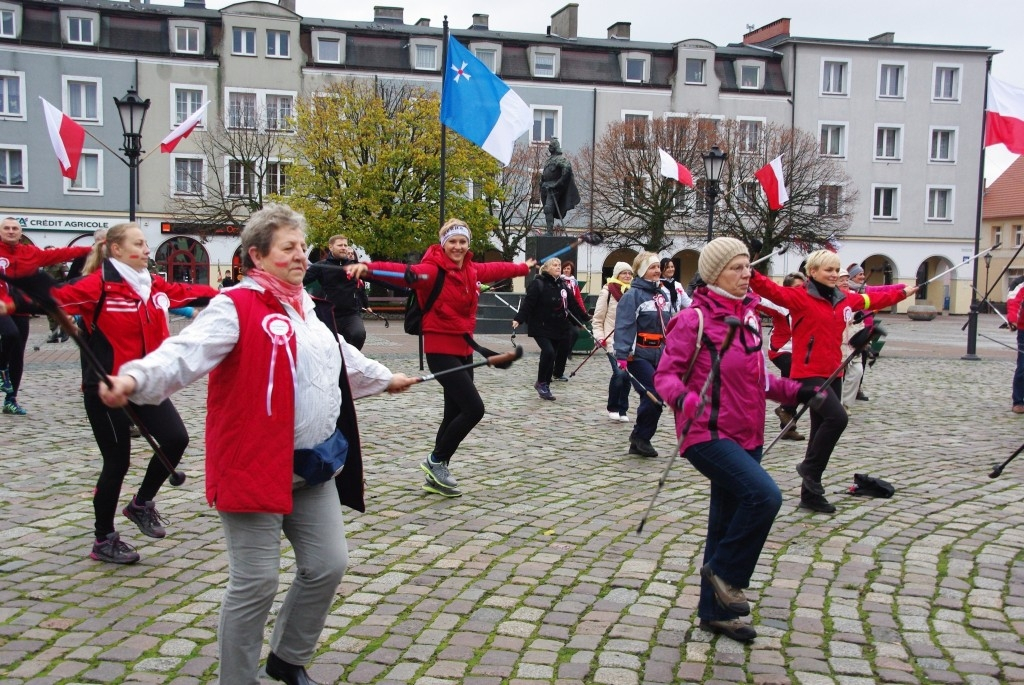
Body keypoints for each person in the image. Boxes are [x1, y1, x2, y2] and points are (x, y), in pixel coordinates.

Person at [97, 204, 416, 685]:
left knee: (328, 564)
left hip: (312, 467)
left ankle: (287, 659)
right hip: (252, 467)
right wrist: (135, 377)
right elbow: (184, 353)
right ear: (256, 255)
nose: (300, 258)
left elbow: (338, 355)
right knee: (256, 583)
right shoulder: (236, 306)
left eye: (302, 249)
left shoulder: (307, 306)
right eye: (288, 249)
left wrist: (384, 376)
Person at [655, 237, 816, 644]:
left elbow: (758, 380)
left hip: (748, 432)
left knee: (724, 522)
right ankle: (727, 574)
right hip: (706, 433)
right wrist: (687, 400)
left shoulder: (748, 317)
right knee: (765, 496)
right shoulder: (694, 319)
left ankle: (715, 612)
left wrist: (798, 392)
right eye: (736, 268)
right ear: (713, 274)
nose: (746, 274)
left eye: (748, 266)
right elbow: (665, 377)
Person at [50, 222, 218, 564]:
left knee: (175, 439)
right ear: (116, 249)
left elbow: (192, 295)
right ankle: (103, 538)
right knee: (117, 462)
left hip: (146, 383)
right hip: (107, 388)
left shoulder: (152, 285)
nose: (146, 249)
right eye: (139, 244)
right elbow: (51, 298)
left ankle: (141, 504)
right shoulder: (98, 285)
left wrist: (240, 296)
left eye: (145, 244)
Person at [345, 218, 536, 497]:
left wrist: (522, 267)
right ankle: (436, 460)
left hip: (463, 349)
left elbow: (495, 269)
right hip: (440, 350)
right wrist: (368, 269)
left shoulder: (471, 269)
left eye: (462, 241)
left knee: (455, 411)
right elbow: (402, 272)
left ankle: (438, 472)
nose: (458, 246)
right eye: (452, 241)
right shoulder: (431, 272)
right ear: (443, 243)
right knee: (474, 409)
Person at [749, 250, 916, 513]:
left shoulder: (845, 300)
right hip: (807, 374)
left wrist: (903, 290)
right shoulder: (799, 297)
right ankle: (810, 469)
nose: (835, 274)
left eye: (837, 270)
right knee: (838, 418)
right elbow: (768, 289)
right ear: (812, 272)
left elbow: (874, 297)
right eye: (829, 270)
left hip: (834, 372)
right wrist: (747, 269)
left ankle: (810, 493)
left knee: (819, 431)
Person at [0, 217, 92, 415]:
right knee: (10, 334)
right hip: (1, 306)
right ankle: (1, 369)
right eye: (6, 228)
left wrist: (93, 248)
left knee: (18, 354)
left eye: (14, 228)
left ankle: (11, 399)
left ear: (20, 232)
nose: (10, 231)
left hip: (22, 307)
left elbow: (62, 253)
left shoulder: (30, 253)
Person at [614, 251, 673, 458]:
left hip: (661, 354)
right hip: (638, 355)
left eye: (658, 267)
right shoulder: (632, 296)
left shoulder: (663, 294)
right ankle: (641, 438)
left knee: (655, 397)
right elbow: (624, 326)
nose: (657, 270)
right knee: (654, 395)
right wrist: (622, 353)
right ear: (641, 271)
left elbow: (669, 325)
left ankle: (639, 438)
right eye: (652, 267)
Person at [513, 257, 590, 401]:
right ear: (547, 268)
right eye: (555, 265)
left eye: (559, 265)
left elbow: (572, 304)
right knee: (548, 351)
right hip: (540, 325)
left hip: (558, 326)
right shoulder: (538, 283)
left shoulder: (562, 285)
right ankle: (541, 382)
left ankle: (545, 385)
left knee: (552, 354)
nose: (558, 267)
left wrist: (585, 317)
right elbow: (528, 303)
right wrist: (519, 318)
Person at [757, 272, 807, 440]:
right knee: (795, 376)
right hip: (781, 350)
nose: (800, 291)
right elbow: (758, 300)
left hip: (799, 351)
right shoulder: (780, 305)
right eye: (796, 288)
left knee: (794, 384)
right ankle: (785, 410)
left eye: (803, 287)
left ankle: (787, 426)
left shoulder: (807, 304)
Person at [303, 234, 371, 350]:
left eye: (345, 245)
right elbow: (300, 280)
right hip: (328, 314)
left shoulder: (354, 266)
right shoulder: (321, 266)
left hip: (351, 314)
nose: (343, 247)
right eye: (340, 245)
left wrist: (366, 304)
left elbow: (363, 286)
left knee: (358, 335)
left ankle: (351, 360)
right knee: (327, 345)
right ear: (331, 247)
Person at [592, 261, 633, 421]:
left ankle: (623, 409)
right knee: (619, 372)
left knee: (628, 376)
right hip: (611, 340)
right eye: (624, 273)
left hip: (630, 341)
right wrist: (600, 337)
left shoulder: (634, 292)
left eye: (629, 273)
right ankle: (613, 407)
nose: (627, 276)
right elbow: (598, 318)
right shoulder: (607, 292)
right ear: (617, 274)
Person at [539, 138, 580, 232]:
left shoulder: (560, 159)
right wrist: (542, 181)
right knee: (547, 211)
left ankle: (549, 232)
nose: (549, 147)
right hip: (545, 187)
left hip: (553, 188)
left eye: (551, 146)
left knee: (548, 208)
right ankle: (549, 230)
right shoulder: (549, 160)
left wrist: (557, 184)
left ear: (555, 147)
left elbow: (567, 169)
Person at [1005, 276, 1024, 414]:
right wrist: (1013, 320)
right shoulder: (1020, 283)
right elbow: (1014, 300)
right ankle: (1018, 401)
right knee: (1023, 367)